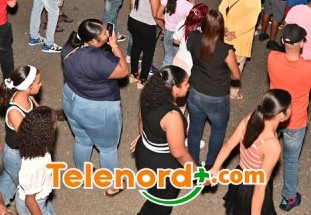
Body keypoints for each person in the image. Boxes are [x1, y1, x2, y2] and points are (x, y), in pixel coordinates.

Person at [60, 19, 129, 197]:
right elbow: (123, 71)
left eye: (105, 29)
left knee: (82, 139)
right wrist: (114, 46)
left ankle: (83, 174)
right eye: (104, 34)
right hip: (96, 110)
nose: (108, 34)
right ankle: (113, 185)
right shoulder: (99, 58)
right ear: (92, 41)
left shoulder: (70, 46)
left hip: (71, 99)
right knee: (107, 148)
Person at [267, 25, 311, 211]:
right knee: (290, 160)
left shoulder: (272, 57)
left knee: (265, 153)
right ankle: (288, 198)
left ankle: (257, 189)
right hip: (295, 120)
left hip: (273, 116)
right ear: (302, 43)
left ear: (283, 41)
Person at [209, 90, 291, 215]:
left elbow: (229, 145)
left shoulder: (252, 118)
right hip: (251, 189)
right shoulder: (273, 146)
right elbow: (259, 186)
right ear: (281, 115)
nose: (291, 110)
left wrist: (215, 168)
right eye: (290, 108)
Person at [132, 66, 192, 214]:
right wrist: (197, 173)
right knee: (162, 205)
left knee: (155, 196)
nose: (189, 86)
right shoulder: (171, 116)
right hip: (162, 167)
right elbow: (179, 153)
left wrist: (144, 136)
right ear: (175, 88)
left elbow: (142, 118)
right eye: (186, 84)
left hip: (144, 154)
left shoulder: (149, 95)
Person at [186, 9, 242, 169]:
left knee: (195, 129)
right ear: (221, 28)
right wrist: (223, 77)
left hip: (194, 91)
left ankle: (193, 165)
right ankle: (211, 166)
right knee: (218, 130)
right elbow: (236, 76)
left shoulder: (193, 37)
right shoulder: (225, 50)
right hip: (216, 97)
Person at [0, 65, 41, 205]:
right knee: (27, 189)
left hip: (19, 153)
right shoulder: (15, 112)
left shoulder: (28, 96)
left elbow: (38, 112)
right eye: (38, 82)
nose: (41, 84)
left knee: (8, 180)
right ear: (28, 87)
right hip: (16, 156)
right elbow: (28, 137)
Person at [219, 0, 262, 100]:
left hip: (225, 34)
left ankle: (218, 88)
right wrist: (236, 33)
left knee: (222, 63)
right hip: (242, 38)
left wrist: (224, 27)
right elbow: (252, 23)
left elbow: (221, 8)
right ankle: (233, 93)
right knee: (237, 66)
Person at [15, 106, 58, 215]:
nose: (56, 122)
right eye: (54, 120)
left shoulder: (32, 142)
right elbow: (30, 201)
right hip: (33, 205)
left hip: (38, 198)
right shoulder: (38, 162)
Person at [129, 0, 166, 88]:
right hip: (147, 26)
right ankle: (142, 79)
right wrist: (163, 28)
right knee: (148, 53)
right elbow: (156, 15)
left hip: (133, 21)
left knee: (136, 47)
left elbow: (131, 3)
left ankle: (133, 74)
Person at [159, 0, 194, 68]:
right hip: (179, 35)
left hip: (167, 31)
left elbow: (158, 15)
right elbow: (191, 23)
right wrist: (193, 6)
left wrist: (167, 18)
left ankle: (164, 74)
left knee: (168, 55)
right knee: (176, 58)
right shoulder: (188, 6)